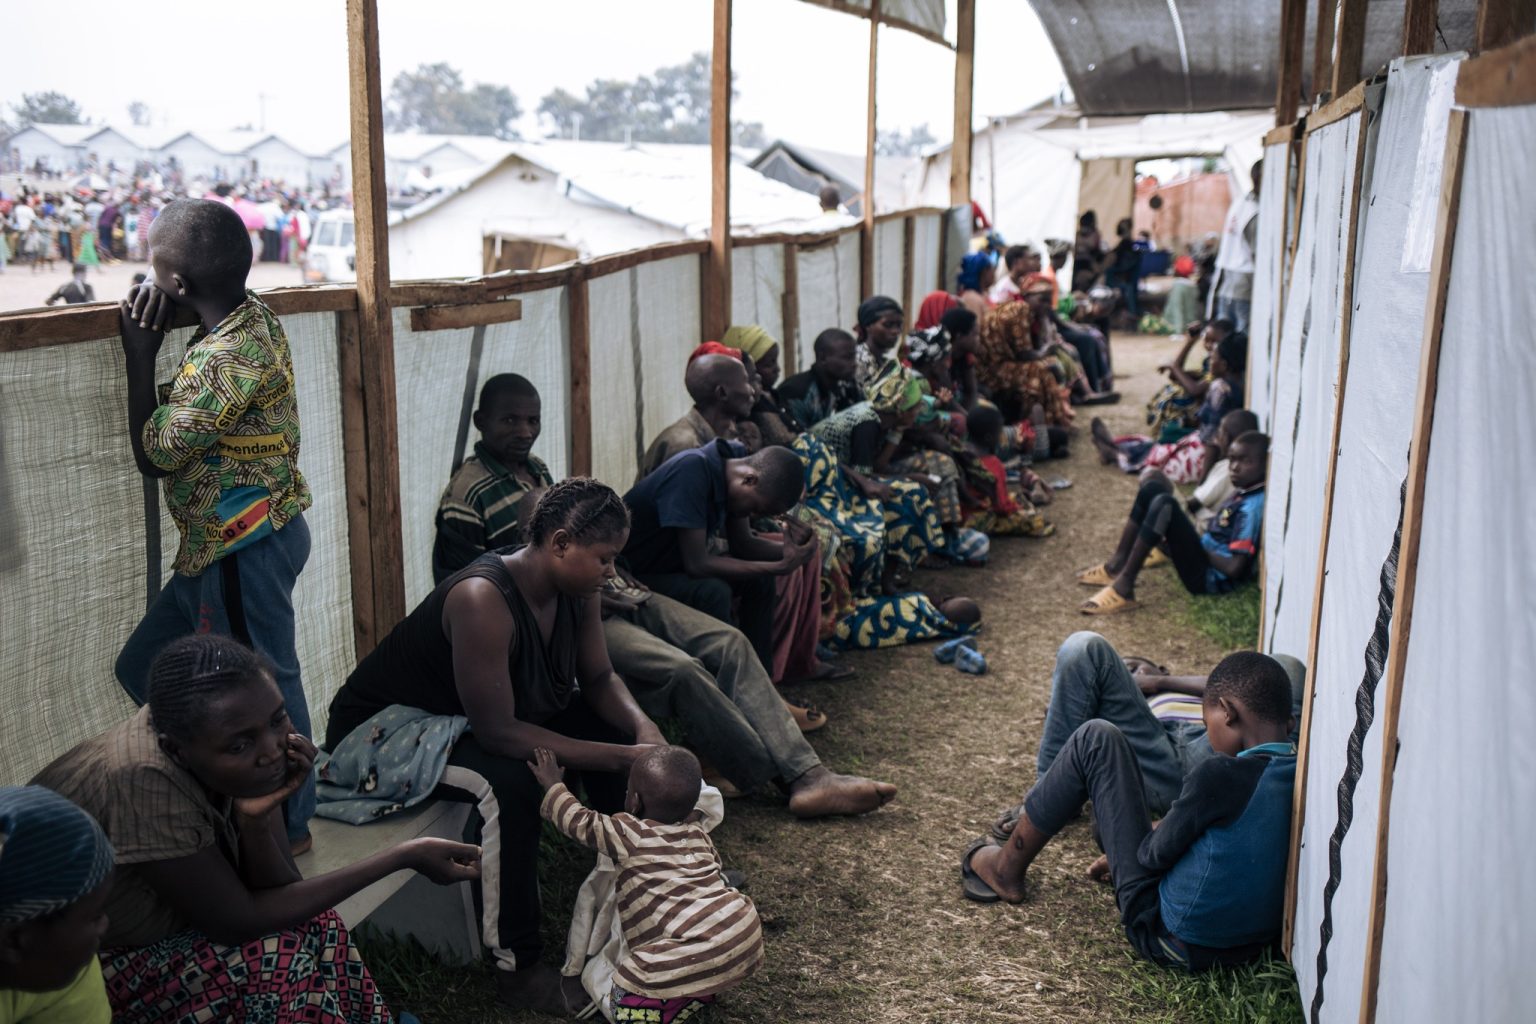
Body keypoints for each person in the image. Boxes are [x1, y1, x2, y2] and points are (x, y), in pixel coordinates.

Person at [431, 380, 889, 813]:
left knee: (728, 641)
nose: (525, 431)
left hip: (615, 588)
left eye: (532, 420)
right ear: (479, 420)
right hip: (571, 613)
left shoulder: (534, 469)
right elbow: (465, 580)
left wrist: (608, 579)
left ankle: (809, 771)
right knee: (682, 670)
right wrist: (585, 592)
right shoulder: (467, 491)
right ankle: (776, 777)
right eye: (510, 421)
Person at [326, 480, 663, 1014]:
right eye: (604, 558)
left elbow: (598, 678)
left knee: (616, 728)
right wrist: (625, 759)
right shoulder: (482, 598)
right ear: (558, 543)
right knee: (508, 783)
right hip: (387, 734)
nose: (611, 571)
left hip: (462, 721)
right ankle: (518, 969)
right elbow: (499, 734)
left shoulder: (579, 590)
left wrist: (644, 735)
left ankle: (652, 881)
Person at [33, 635, 479, 1023]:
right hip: (71, 964)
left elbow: (281, 889)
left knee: (316, 921)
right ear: (177, 750)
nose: (270, 751)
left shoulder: (204, 729)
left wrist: (257, 815)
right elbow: (237, 921)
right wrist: (403, 856)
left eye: (277, 720)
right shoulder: (143, 780)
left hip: (169, 927)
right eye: (241, 744)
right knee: (271, 961)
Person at [113, 198, 316, 850]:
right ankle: (218, 789)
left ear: (175, 286)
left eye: (154, 271)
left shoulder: (225, 357)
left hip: (243, 545)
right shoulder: (251, 319)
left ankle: (288, 824)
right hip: (224, 544)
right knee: (143, 665)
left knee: (269, 684)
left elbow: (157, 453)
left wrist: (139, 353)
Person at [961, 652, 1298, 972]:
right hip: (1250, 946)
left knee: (1096, 738)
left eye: (1206, 719)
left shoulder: (1219, 774)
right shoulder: (1300, 769)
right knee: (1118, 812)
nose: (1209, 734)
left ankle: (1005, 870)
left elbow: (1152, 856)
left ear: (1226, 711)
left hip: (1169, 937)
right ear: (1290, 721)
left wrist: (1136, 836)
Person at [529, 746, 763, 1022]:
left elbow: (581, 821)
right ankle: (696, 990)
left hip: (698, 943)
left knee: (631, 976)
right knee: (690, 962)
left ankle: (635, 1014)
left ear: (634, 802)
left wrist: (553, 784)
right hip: (744, 930)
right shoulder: (697, 833)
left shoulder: (631, 834)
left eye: (628, 791)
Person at [622, 441, 816, 675]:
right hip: (633, 575)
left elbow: (744, 544)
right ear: (749, 480)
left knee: (759, 582)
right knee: (713, 592)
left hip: (671, 566)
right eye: (755, 509)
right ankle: (728, 684)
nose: (752, 516)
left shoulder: (733, 465)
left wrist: (795, 550)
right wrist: (778, 566)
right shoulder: (691, 471)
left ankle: (762, 680)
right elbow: (697, 564)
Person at [1078, 431, 1268, 614]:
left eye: (1246, 461)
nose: (1234, 467)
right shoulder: (1245, 490)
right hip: (1204, 555)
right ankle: (1117, 565)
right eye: (1232, 459)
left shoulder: (1250, 509)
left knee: (1165, 504)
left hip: (1207, 578)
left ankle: (1124, 587)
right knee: (1151, 489)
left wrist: (1192, 546)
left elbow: (1234, 568)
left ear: (1266, 464)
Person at [0, 786, 115, 1024]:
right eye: (94, 916)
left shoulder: (63, 966)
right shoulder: (52, 962)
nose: (105, 924)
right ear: (14, 940)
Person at [1091, 332, 1247, 482]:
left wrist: (1203, 481)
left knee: (1158, 455)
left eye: (1213, 358)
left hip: (1203, 458)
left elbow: (1211, 441)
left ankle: (1113, 452)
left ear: (1224, 365)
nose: (1210, 361)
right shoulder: (1238, 383)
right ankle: (1113, 447)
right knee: (1160, 445)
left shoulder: (1219, 388)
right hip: (1205, 450)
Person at [637, 352, 752, 482]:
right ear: (722, 393)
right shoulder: (686, 447)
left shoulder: (723, 435)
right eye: (746, 382)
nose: (752, 390)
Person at [976, 300, 1073, 429]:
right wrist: (1047, 349)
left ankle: (1050, 422)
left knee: (1047, 367)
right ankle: (1036, 426)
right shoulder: (1021, 312)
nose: (1048, 306)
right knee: (1039, 373)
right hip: (991, 369)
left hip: (1002, 363)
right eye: (1046, 300)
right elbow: (1025, 354)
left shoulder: (1022, 310)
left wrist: (1043, 323)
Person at [775, 328, 860, 431]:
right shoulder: (797, 392)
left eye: (854, 357)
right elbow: (797, 439)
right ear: (822, 358)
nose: (854, 363)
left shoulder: (842, 386)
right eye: (847, 357)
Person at [1212, 161, 1262, 333]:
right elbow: (1258, 254)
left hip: (1228, 280)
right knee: (1240, 338)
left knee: (1223, 334)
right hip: (1244, 281)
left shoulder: (1240, 203)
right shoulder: (1254, 211)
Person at [852, 295, 905, 390]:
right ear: (868, 326)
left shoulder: (882, 361)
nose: (896, 331)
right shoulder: (859, 362)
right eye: (888, 325)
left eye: (899, 325)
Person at [956, 252, 996, 319]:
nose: (993, 273)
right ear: (983, 272)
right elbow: (978, 327)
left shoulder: (982, 294)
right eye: (990, 269)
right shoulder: (971, 298)